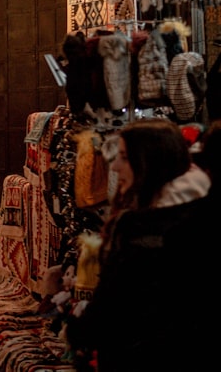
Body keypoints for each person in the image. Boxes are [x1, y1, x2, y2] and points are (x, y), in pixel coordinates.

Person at [65, 118, 213, 371]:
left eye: (124, 157)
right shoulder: (202, 210)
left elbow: (115, 298)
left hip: (140, 354)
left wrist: (77, 331)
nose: (115, 167)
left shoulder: (142, 226)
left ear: (148, 161)